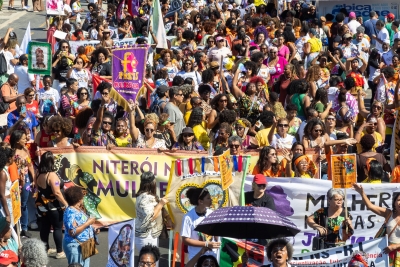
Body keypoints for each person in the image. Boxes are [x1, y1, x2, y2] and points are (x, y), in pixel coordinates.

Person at [353, 183, 400, 265]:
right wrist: (361, 193)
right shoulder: (388, 213)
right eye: (399, 200)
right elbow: (370, 206)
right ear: (394, 202)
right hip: (387, 251)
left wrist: (395, 246)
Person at [36, 151, 68, 258]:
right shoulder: (52, 175)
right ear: (51, 162)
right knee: (57, 228)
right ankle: (60, 252)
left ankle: (46, 249)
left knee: (44, 227)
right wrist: (66, 204)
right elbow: (57, 192)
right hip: (53, 206)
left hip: (42, 206)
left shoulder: (39, 174)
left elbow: (37, 189)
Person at [63, 186, 99, 267]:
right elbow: (72, 232)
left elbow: (82, 224)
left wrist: (93, 230)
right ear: (79, 199)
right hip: (75, 245)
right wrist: (88, 223)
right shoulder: (71, 212)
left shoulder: (79, 209)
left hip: (85, 244)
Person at [181, 187, 220, 261]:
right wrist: (206, 244)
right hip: (196, 257)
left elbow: (216, 235)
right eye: (208, 198)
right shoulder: (188, 217)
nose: (211, 200)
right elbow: (185, 240)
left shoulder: (212, 213)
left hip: (213, 256)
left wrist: (219, 240)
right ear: (200, 201)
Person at [135, 172, 169, 253]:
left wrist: (167, 217)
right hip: (146, 236)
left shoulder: (147, 196)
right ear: (152, 183)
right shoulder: (146, 197)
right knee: (148, 262)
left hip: (149, 235)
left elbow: (156, 209)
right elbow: (150, 217)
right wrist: (161, 204)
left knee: (152, 262)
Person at [10, 130, 35, 238]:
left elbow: (29, 165)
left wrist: (34, 179)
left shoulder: (26, 150)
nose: (26, 140)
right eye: (24, 138)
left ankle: (24, 228)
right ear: (16, 140)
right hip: (14, 181)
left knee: (23, 204)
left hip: (26, 181)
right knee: (15, 204)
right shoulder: (10, 152)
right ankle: (15, 227)